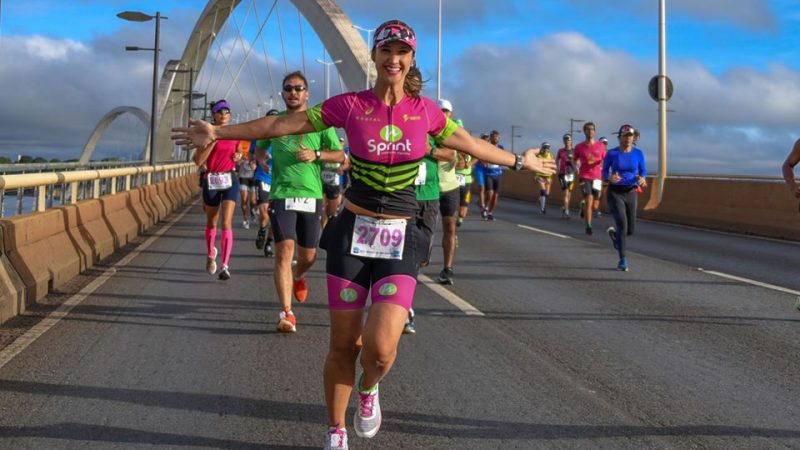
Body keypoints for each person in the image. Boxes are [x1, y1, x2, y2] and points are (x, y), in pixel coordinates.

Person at [171, 19, 555, 449]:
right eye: (386, 51)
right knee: (343, 345)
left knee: (381, 349)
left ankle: (369, 389)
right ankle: (336, 431)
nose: (393, 59)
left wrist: (519, 163)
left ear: (411, 59)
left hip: (399, 234)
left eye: (402, 52)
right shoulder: (348, 106)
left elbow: (467, 143)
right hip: (353, 231)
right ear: (374, 56)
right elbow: (282, 125)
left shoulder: (424, 111)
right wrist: (220, 131)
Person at [257, 71, 343, 333]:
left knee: (308, 256)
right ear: (282, 93)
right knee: (284, 252)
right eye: (288, 88)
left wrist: (317, 154)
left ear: (307, 93)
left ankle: (299, 276)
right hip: (282, 194)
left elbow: (340, 155)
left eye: (298, 88)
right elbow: (259, 145)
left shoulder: (320, 125)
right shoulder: (274, 123)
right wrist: (261, 156)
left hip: (311, 196)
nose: (293, 92)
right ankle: (286, 312)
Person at [193, 99, 241, 281]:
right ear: (213, 115)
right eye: (220, 112)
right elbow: (198, 160)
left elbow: (238, 152)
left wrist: (239, 155)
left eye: (227, 111)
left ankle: (225, 265)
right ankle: (211, 252)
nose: (224, 114)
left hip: (230, 178)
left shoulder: (235, 133)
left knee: (226, 222)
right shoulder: (205, 134)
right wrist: (214, 139)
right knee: (212, 222)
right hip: (211, 180)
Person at [603, 124, 647, 271]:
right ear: (620, 137)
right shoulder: (612, 153)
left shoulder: (638, 153)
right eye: (625, 135)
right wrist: (609, 178)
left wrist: (642, 179)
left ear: (633, 137)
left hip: (631, 192)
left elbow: (643, 171)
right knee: (622, 224)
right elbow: (604, 171)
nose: (628, 138)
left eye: (630, 136)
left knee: (630, 230)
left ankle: (616, 236)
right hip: (615, 192)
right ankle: (623, 260)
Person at [433, 99, 461, 285]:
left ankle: (447, 268)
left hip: (450, 188)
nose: (443, 114)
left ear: (450, 114)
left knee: (450, 228)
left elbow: (454, 156)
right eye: (440, 111)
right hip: (428, 188)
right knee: (421, 230)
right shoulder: (426, 131)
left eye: (446, 111)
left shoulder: (454, 134)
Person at [254, 109, 280, 258]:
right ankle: (262, 230)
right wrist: (257, 161)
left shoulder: (285, 138)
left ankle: (269, 242)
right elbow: (254, 154)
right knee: (264, 213)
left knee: (274, 216)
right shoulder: (260, 139)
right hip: (263, 178)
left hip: (279, 182)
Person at [574, 122, 606, 235]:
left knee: (595, 205)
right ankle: (588, 226)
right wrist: (576, 168)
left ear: (595, 131)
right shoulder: (579, 147)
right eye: (587, 129)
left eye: (592, 129)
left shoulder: (601, 146)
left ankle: (583, 209)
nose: (590, 131)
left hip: (597, 177)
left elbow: (605, 160)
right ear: (584, 131)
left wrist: (603, 166)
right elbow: (574, 160)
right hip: (584, 176)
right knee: (589, 200)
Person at [320, 137, 350, 229]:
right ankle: (324, 231)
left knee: (331, 212)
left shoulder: (341, 154)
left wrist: (341, 168)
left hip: (334, 185)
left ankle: (329, 228)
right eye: (339, 142)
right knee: (322, 209)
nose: (340, 144)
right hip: (321, 184)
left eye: (341, 142)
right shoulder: (323, 152)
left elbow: (348, 164)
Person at [482, 130, 506, 221]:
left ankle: (490, 213)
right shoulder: (487, 147)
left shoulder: (501, 147)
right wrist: (484, 162)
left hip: (498, 173)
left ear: (499, 139)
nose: (495, 139)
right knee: (490, 193)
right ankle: (485, 207)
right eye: (493, 137)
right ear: (490, 138)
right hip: (488, 173)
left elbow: (503, 158)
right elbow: (481, 156)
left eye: (497, 137)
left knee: (495, 196)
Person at [236, 140, 257, 229]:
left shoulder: (256, 143)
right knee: (244, 200)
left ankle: (253, 210)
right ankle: (246, 220)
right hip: (243, 176)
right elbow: (236, 161)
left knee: (253, 201)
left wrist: (255, 164)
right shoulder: (240, 144)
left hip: (253, 176)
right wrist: (240, 160)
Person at [556, 133, 577, 219]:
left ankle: (565, 208)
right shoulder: (561, 151)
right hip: (563, 174)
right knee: (566, 193)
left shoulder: (574, 151)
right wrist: (557, 168)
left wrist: (576, 166)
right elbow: (557, 159)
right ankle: (567, 211)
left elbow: (578, 162)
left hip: (571, 174)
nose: (567, 141)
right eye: (565, 140)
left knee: (569, 194)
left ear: (571, 141)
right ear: (563, 141)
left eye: (568, 140)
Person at [534, 142, 554, 214]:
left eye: (548, 148)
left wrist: (550, 176)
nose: (546, 149)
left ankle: (542, 199)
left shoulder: (550, 155)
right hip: (540, 174)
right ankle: (542, 209)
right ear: (542, 148)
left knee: (547, 194)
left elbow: (552, 165)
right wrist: (536, 176)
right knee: (543, 190)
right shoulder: (539, 155)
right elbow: (535, 166)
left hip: (547, 175)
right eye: (545, 147)